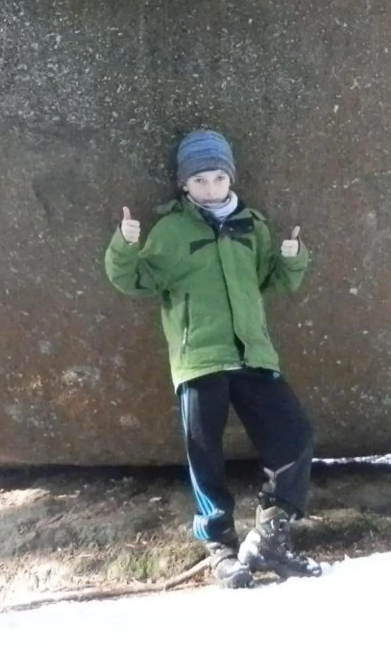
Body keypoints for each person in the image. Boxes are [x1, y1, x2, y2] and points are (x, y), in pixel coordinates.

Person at [104, 128, 320, 588]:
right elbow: (136, 280)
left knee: (295, 436)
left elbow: (271, 280)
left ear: (230, 178)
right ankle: (220, 549)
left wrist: (293, 258)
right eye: (199, 180)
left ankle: (271, 539)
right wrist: (124, 245)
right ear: (185, 185)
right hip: (199, 358)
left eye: (218, 178)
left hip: (253, 356)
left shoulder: (252, 225)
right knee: (205, 454)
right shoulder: (172, 230)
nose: (210, 188)